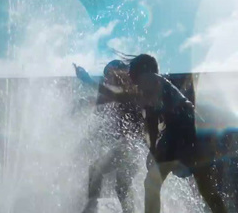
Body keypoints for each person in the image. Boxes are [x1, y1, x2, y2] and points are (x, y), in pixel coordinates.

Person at [98, 54, 227, 213]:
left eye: (132, 71)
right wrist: (154, 149)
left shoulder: (149, 79)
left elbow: (151, 119)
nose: (130, 75)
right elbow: (153, 116)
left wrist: (153, 149)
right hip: (195, 133)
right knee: (207, 191)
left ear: (141, 70)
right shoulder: (156, 83)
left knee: (152, 182)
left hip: (180, 133)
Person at [74, 60, 144, 213]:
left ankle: (91, 209)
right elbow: (106, 98)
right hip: (133, 150)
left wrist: (87, 79)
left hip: (129, 147)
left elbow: (112, 95)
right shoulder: (126, 92)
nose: (106, 80)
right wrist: (85, 102)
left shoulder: (130, 90)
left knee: (96, 170)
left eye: (108, 75)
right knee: (122, 190)